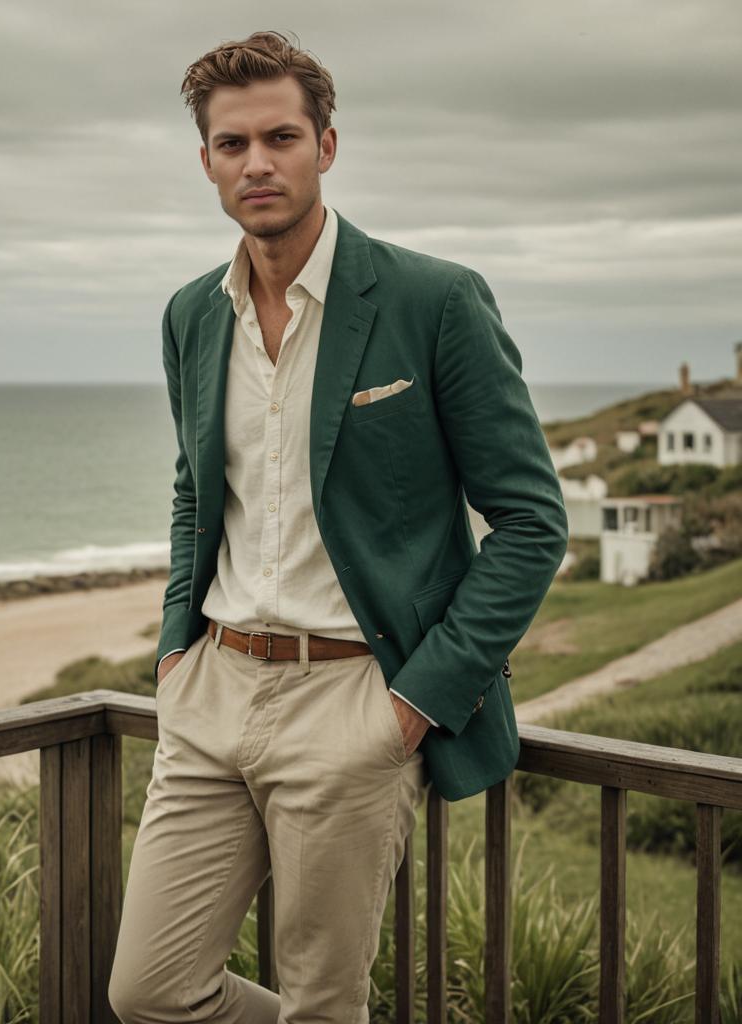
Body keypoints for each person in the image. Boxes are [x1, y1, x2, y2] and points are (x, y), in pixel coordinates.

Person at [108, 29, 568, 1023]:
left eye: (280, 136)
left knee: (323, 1000)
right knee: (146, 988)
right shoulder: (192, 314)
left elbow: (530, 522)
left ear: (326, 144)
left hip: (352, 699)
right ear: (206, 163)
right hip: (212, 692)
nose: (257, 163)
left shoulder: (431, 300)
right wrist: (174, 649)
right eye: (232, 145)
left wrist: (413, 703)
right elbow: (198, 490)